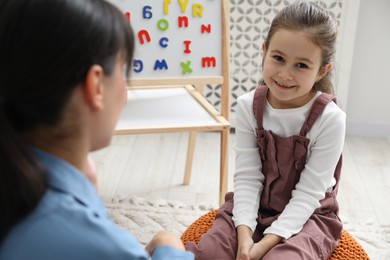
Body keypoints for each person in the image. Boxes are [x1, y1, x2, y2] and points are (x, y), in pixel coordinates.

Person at [0, 0, 193, 259]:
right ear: (96, 85)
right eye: (124, 73)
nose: (124, 93)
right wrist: (168, 245)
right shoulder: (96, 243)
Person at [185, 1, 346, 259]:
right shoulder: (249, 106)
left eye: (301, 65)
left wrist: (262, 247)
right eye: (278, 58)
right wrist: (245, 236)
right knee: (210, 253)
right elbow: (248, 179)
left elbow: (308, 195)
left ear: (322, 71)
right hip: (253, 206)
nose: (285, 74)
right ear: (264, 51)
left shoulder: (330, 119)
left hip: (310, 214)